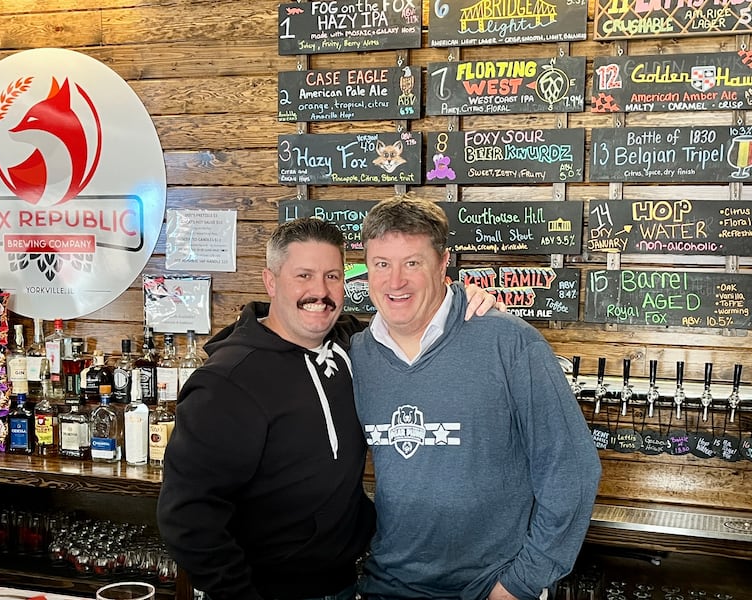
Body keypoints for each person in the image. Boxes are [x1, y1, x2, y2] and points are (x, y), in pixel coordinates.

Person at [156, 217, 497, 600]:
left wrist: (461, 301)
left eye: (332, 276)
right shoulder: (226, 382)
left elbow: (414, 316)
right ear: (271, 281)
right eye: (304, 275)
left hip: (350, 581)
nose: (320, 292)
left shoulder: (352, 343)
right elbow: (187, 517)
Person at [351, 196, 602, 600]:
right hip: (388, 584)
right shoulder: (358, 354)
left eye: (412, 263)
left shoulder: (509, 341)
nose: (394, 281)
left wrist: (520, 583)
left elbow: (570, 471)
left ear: (443, 261)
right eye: (382, 264)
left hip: (489, 587)